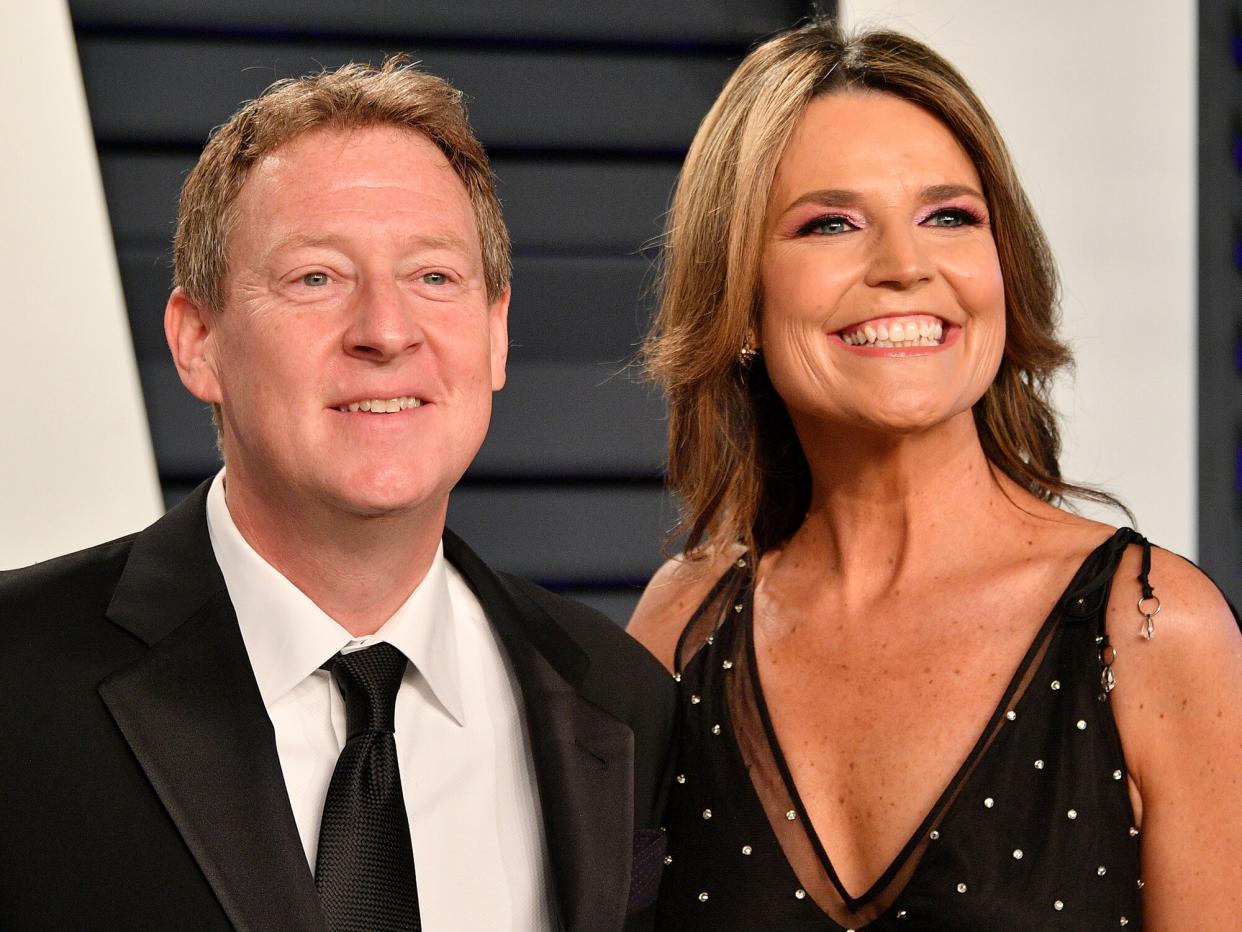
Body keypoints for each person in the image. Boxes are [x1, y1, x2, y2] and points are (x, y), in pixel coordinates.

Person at [0, 59, 673, 931]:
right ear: (198, 341)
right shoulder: (17, 683)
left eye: (434, 277)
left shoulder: (622, 701)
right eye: (316, 278)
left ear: (496, 334)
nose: (386, 332)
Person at [629, 20, 1242, 930]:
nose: (906, 266)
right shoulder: (685, 623)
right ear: (742, 298)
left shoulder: (1154, 629)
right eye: (831, 223)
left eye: (949, 216)